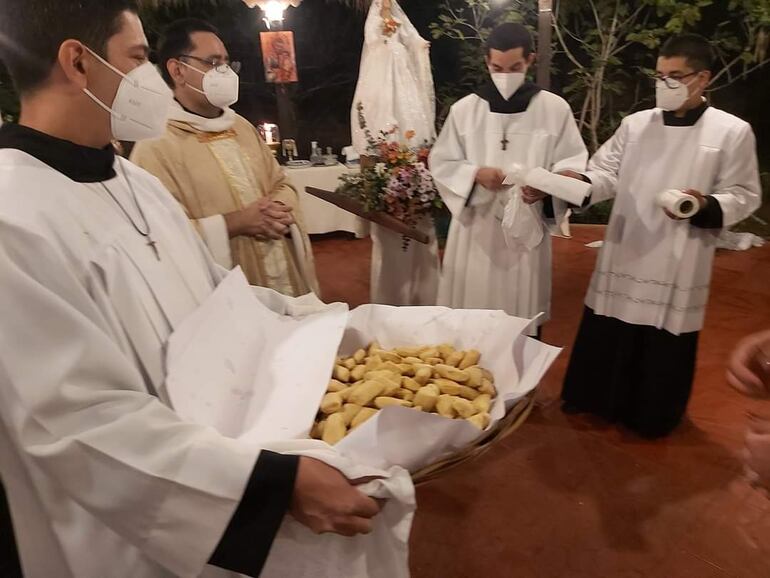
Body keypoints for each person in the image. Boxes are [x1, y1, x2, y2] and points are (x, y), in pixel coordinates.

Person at [0, 2, 379, 577]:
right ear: (78, 63)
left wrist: (324, 325)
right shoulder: (14, 216)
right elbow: (75, 424)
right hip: (126, 530)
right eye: (140, 58)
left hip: (220, 448)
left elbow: (220, 304)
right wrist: (264, 486)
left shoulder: (137, 182)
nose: (152, 77)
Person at [559, 34, 762, 438]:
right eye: (659, 76)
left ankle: (651, 414)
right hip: (627, 242)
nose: (663, 85)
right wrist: (577, 180)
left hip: (678, 251)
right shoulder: (636, 125)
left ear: (702, 79)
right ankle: (597, 398)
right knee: (611, 321)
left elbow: (744, 193)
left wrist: (704, 205)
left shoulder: (731, 132)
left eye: (675, 76)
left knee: (661, 334)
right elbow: (606, 172)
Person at [131, 19, 318, 297]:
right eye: (212, 62)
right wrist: (237, 223)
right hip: (225, 298)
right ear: (177, 70)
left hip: (284, 279)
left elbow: (282, 183)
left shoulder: (241, 127)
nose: (225, 72)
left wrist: (277, 209)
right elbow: (157, 237)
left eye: (227, 62)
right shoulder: (155, 145)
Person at [429, 23, 588, 335]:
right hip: (478, 228)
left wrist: (547, 187)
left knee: (520, 319)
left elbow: (572, 163)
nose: (504, 76)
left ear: (530, 61)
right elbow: (442, 161)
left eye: (514, 67)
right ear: (487, 62)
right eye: (497, 67)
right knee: (472, 320)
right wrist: (474, 174)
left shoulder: (554, 109)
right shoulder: (465, 110)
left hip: (526, 231)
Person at [351, 0, 440, 306]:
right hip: (387, 162)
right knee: (391, 248)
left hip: (415, 152)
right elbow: (365, 123)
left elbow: (417, 44)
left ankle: (426, 301)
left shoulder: (407, 74)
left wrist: (417, 47)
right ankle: (391, 304)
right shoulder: (375, 71)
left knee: (423, 241)